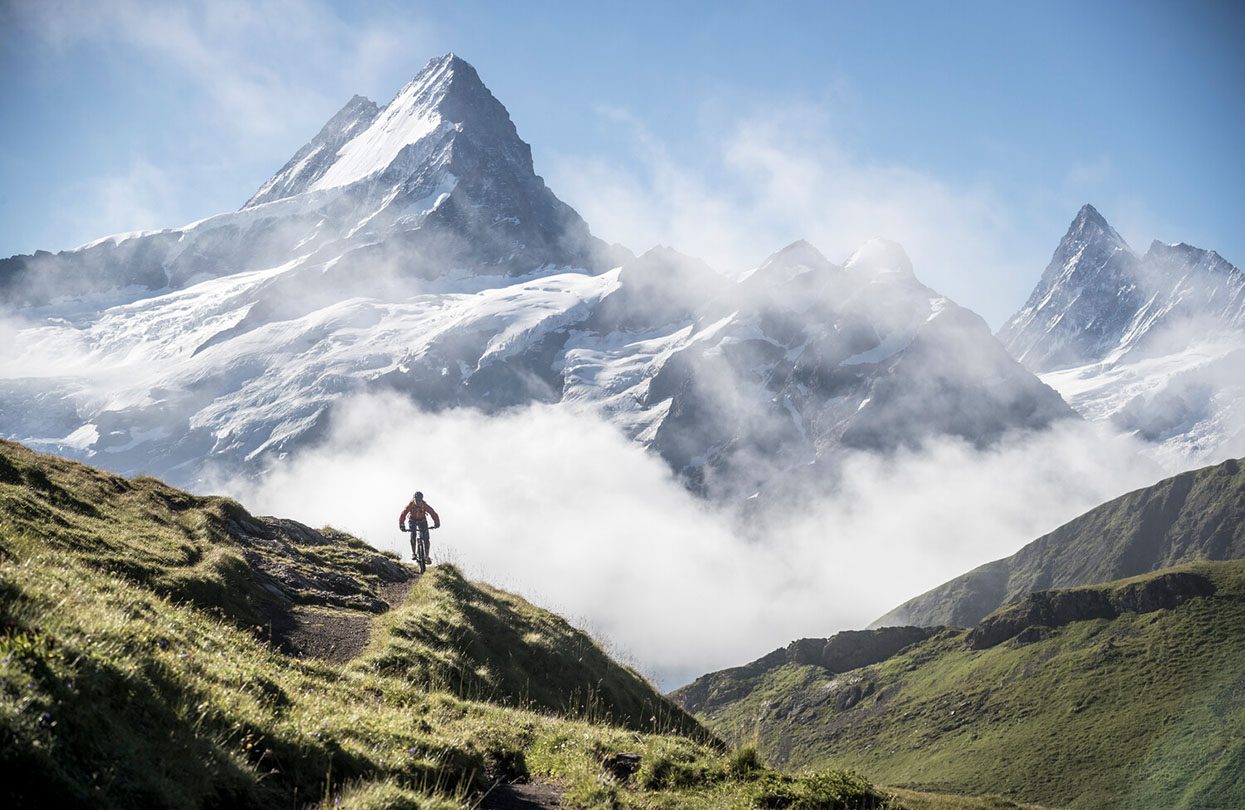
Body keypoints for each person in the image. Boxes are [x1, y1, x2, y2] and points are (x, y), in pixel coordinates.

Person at [399, 491, 441, 564]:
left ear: (421, 500)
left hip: (422, 521)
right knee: (413, 534)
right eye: (416, 500)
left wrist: (437, 523)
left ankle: (426, 556)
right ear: (413, 499)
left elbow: (433, 513)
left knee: (426, 538)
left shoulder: (424, 505)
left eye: (419, 500)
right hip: (412, 520)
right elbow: (403, 514)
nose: (418, 502)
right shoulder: (410, 505)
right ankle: (414, 553)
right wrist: (402, 525)